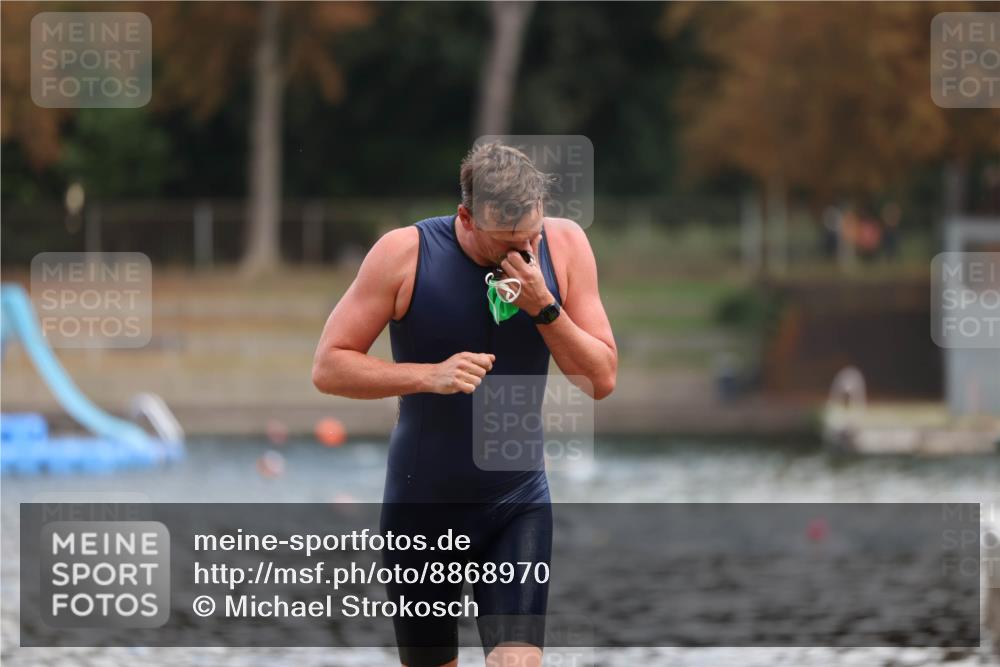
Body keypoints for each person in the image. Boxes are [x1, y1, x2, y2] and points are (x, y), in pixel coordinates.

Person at [312, 141, 617, 667]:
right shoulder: (404, 254)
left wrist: (545, 307)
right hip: (423, 505)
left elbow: (601, 378)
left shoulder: (565, 247)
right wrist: (429, 375)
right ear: (467, 218)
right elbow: (329, 366)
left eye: (531, 237)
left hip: (517, 499)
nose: (521, 255)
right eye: (505, 243)